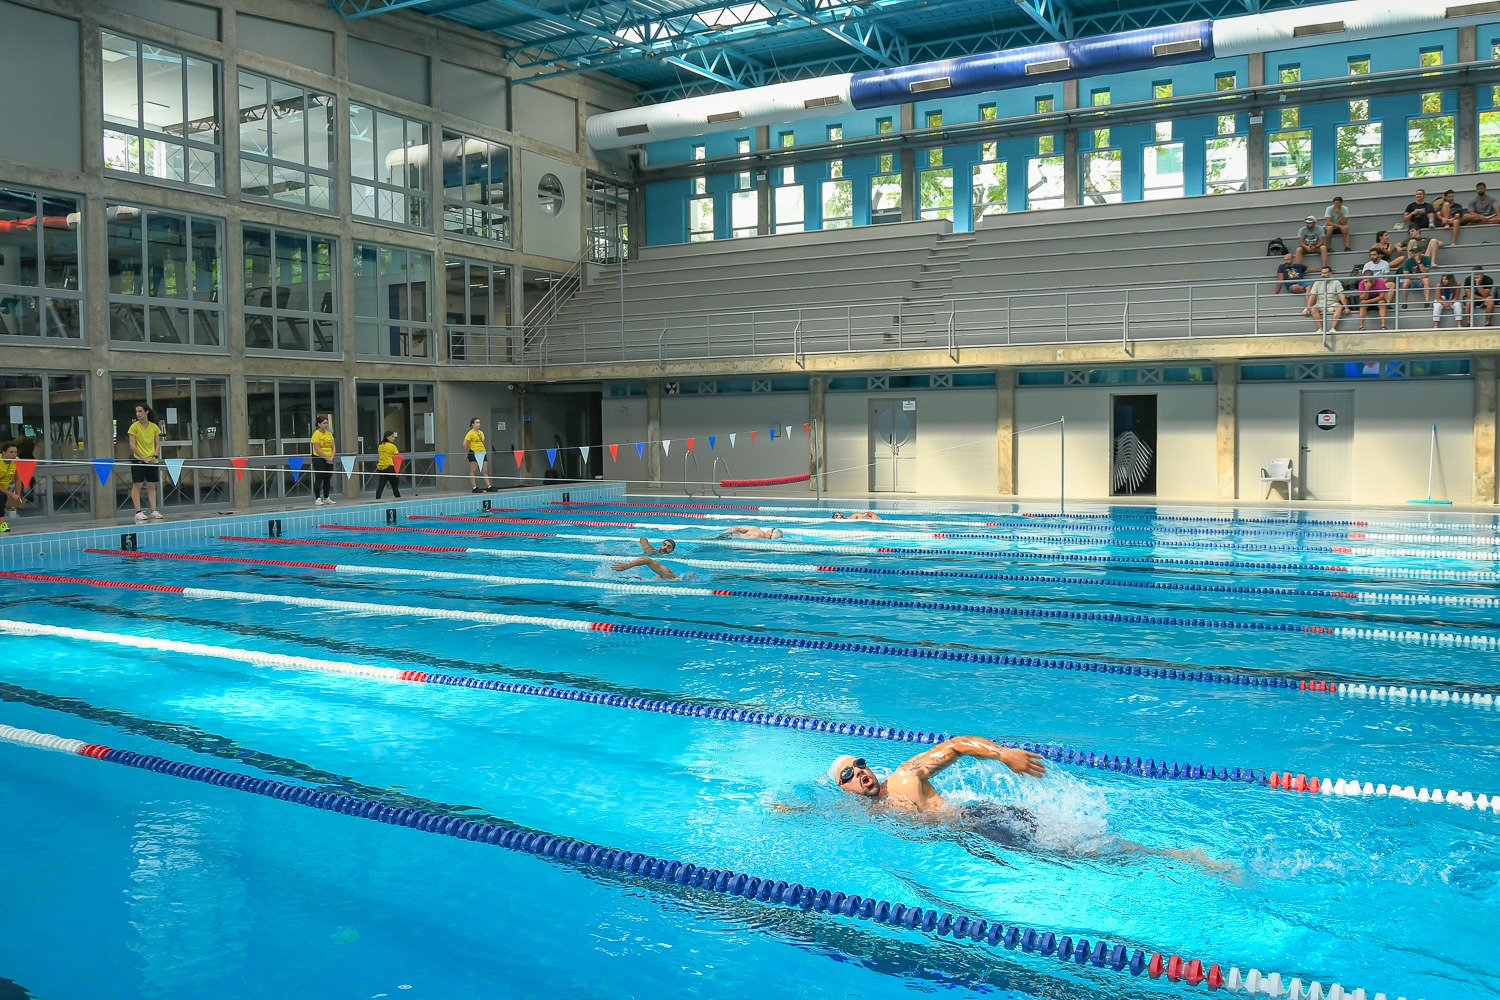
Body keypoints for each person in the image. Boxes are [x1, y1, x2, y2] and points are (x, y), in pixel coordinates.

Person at [823, 737, 1231, 872]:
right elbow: (820, 814)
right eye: (848, 775)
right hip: (977, 832)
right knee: (1073, 846)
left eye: (859, 763)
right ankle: (1173, 855)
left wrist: (1002, 755)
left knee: (1076, 852)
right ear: (844, 790)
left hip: (984, 821)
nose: (859, 772)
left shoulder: (906, 777)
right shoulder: (859, 813)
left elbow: (955, 746)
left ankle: (1182, 857)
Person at [127, 404, 163, 521]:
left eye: (140, 411)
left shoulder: (154, 427)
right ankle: (138, 512)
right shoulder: (134, 427)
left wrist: (154, 456)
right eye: (136, 411)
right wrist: (143, 458)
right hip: (138, 460)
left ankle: (153, 510)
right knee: (137, 485)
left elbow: (157, 444)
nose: (138, 414)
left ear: (146, 412)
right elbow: (132, 445)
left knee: (152, 485)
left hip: (152, 460)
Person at [1305, 265, 1348, 334]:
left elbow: (1341, 295)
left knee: (1339, 308)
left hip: (1333, 303)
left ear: (1330, 273)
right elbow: (1312, 296)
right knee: (1313, 309)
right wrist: (1307, 308)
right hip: (1320, 304)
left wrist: (1346, 307)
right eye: (1322, 273)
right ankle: (1320, 329)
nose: (1323, 275)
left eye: (1325, 273)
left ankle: (1333, 329)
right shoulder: (1317, 282)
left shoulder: (1336, 282)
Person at [1391, 240, 1433, 307]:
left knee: (1426, 280)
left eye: (1416, 252)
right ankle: (1404, 303)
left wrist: (1419, 262)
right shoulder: (1408, 261)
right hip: (1412, 280)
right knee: (1405, 282)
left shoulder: (1426, 259)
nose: (1414, 254)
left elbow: (1425, 272)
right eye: (1412, 252)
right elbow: (1406, 276)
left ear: (1420, 252)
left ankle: (1427, 302)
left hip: (1421, 280)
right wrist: (1419, 276)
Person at [463, 417, 498, 494]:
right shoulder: (470, 433)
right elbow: (464, 444)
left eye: (479, 422)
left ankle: (489, 486)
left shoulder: (481, 432)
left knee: (485, 471)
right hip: (474, 453)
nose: (479, 424)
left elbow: (483, 442)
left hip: (482, 452)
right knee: (473, 471)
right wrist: (466, 453)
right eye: (477, 422)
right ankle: (474, 487)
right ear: (472, 424)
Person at [310, 413, 336, 507]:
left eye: (327, 423)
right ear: (319, 424)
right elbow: (317, 449)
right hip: (319, 458)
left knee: (327, 478)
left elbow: (333, 446)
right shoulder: (316, 434)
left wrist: (332, 457)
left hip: (329, 458)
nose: (326, 425)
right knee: (319, 477)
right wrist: (326, 458)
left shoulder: (329, 434)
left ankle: (326, 497)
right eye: (324, 423)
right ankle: (317, 498)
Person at [0, 440, 22, 533]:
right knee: (1, 497)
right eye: (11, 452)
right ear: (4, 453)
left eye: (15, 452)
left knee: (3, 497)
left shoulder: (17, 461)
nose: (14, 454)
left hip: (3, 488)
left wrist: (17, 494)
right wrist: (11, 494)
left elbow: (17, 479)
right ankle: (2, 524)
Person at [374, 430, 402, 499]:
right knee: (395, 487)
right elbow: (397, 456)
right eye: (392, 436)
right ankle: (399, 500)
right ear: (387, 437)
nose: (394, 438)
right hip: (390, 468)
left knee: (381, 486)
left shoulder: (380, 446)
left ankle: (377, 500)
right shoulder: (392, 446)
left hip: (381, 468)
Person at [720, 525, 784, 539]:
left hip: (728, 536)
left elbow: (737, 528)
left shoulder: (756, 529)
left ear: (771, 533)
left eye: (772, 529)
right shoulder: (761, 540)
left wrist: (725, 533)